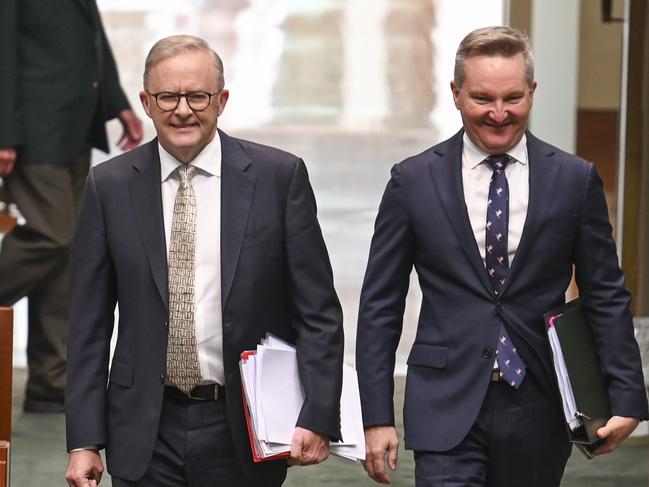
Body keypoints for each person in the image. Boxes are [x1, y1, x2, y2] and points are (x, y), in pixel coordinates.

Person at [356, 26, 648, 487]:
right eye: (482, 98)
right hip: (444, 400)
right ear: (455, 94)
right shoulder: (412, 181)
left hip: (540, 400)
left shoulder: (574, 180)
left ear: (532, 91)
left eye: (513, 97)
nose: (498, 113)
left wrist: (628, 395)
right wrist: (374, 416)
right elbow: (379, 306)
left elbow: (606, 293)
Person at [64, 35, 344, 487]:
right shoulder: (109, 186)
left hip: (243, 423)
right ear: (146, 102)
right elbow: (88, 326)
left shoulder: (278, 177)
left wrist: (317, 414)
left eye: (197, 95)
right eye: (167, 96)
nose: (182, 109)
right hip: (143, 427)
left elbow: (318, 313)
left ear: (222, 100)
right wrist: (83, 441)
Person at [0, 0, 143, 412]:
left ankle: (51, 380)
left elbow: (91, 40)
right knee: (52, 236)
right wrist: (4, 130)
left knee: (69, 255)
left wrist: (118, 104)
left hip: (74, 126)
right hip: (32, 129)